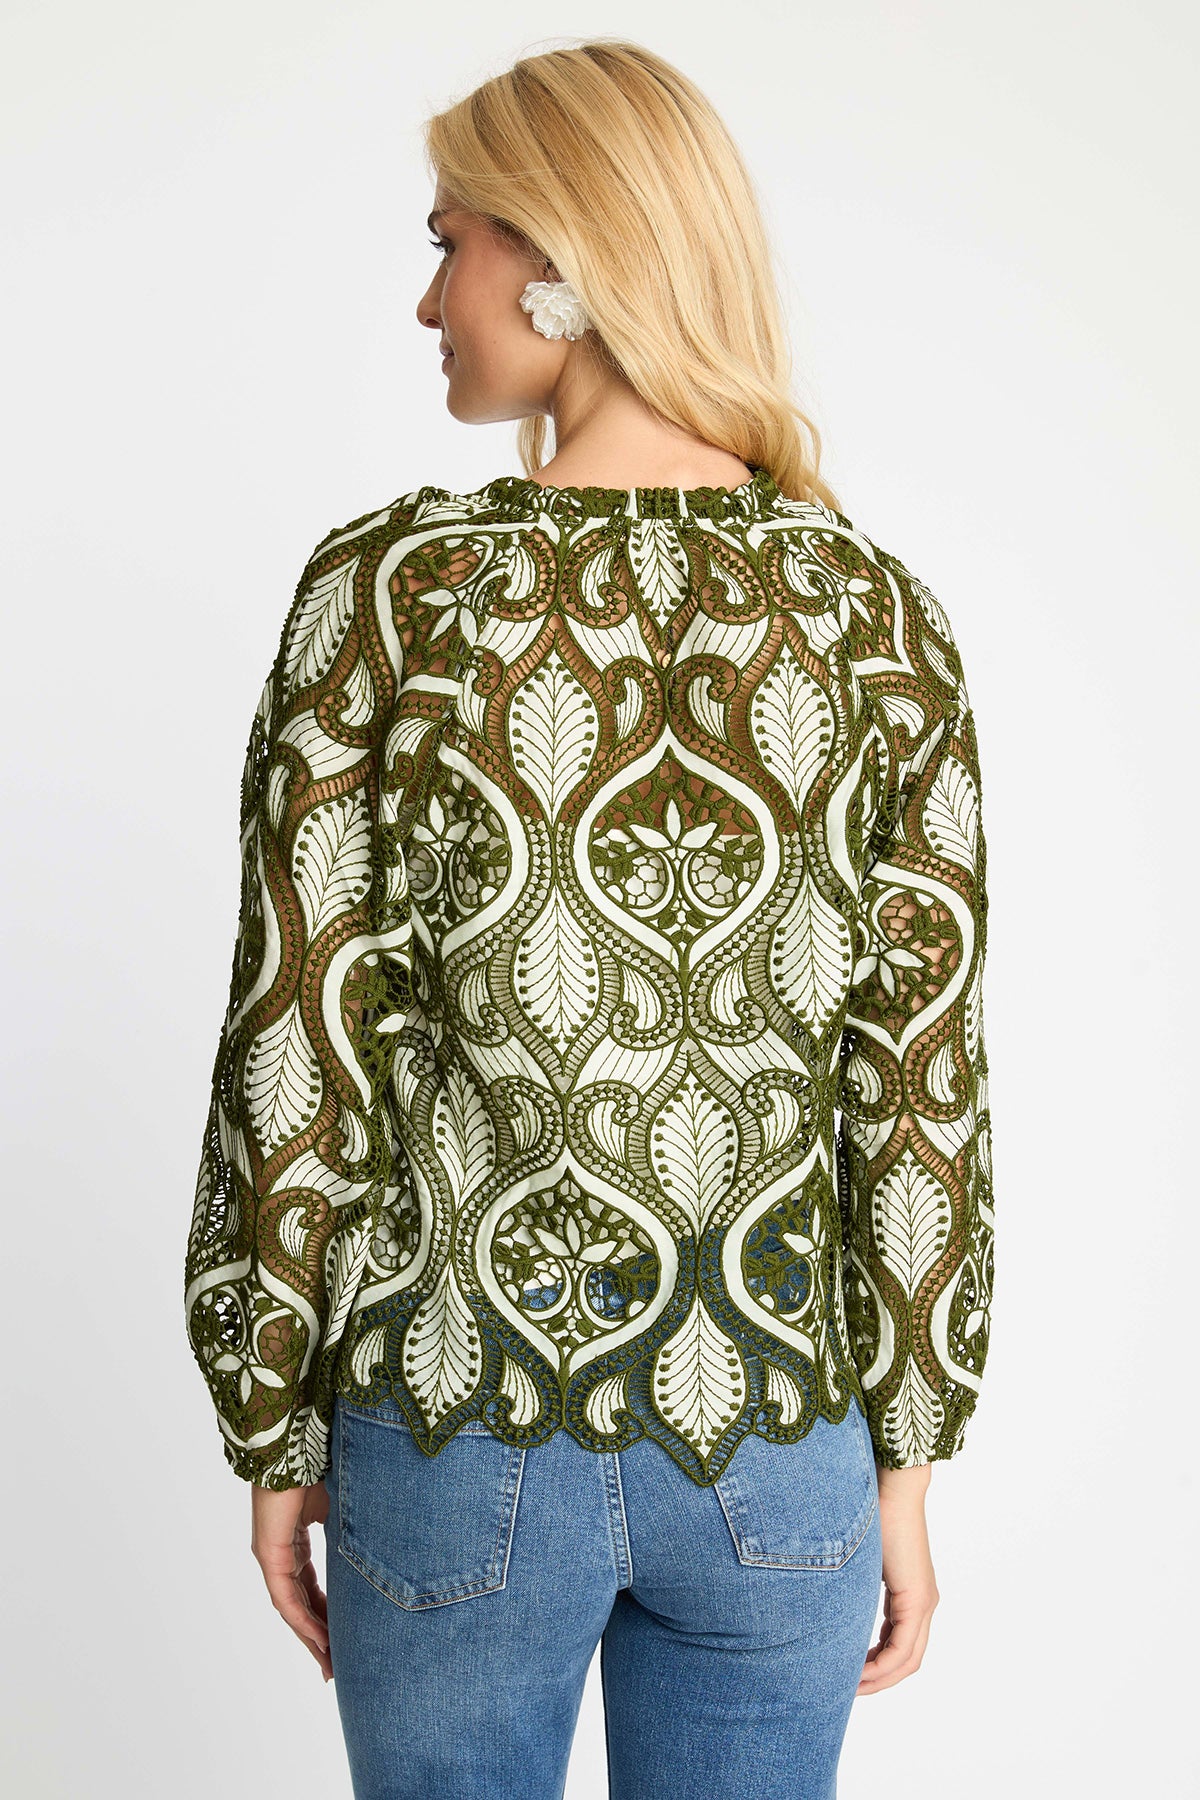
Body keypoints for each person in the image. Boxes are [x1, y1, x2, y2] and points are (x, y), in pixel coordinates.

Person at [183, 37, 994, 1800]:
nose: (429, 302)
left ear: (560, 255)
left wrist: (272, 1418)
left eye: (449, 243)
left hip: (459, 1411)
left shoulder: (394, 594)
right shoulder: (874, 618)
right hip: (775, 1429)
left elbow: (302, 1041)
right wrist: (909, 1468)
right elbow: (919, 1078)